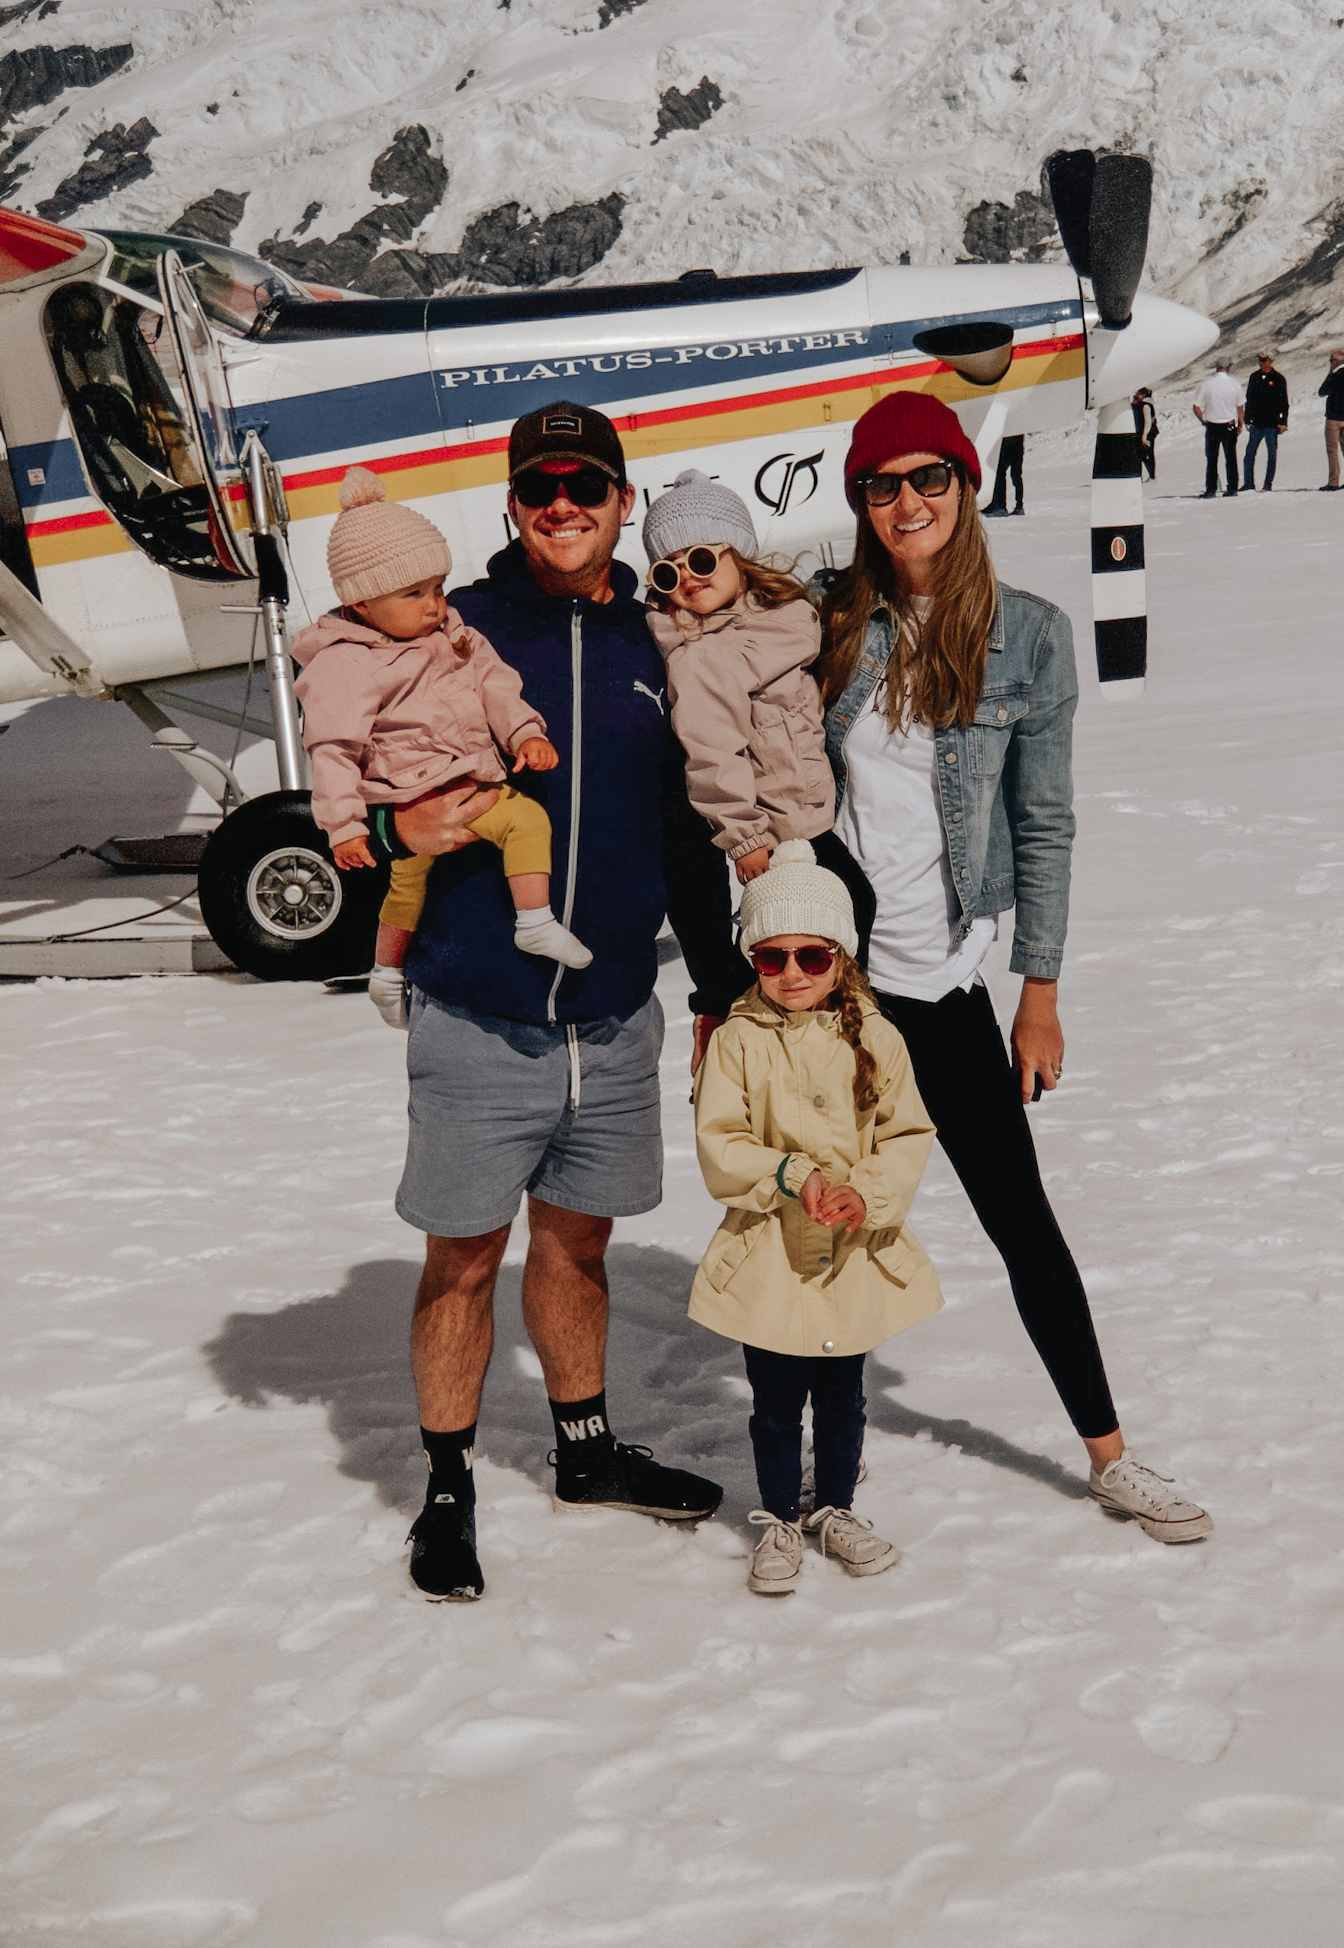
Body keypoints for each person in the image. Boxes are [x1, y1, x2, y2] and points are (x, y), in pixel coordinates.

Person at [364, 401, 747, 1601]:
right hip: (478, 1007)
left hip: (617, 1012)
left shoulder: (661, 640)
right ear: (513, 505)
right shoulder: (450, 629)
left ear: (625, 503)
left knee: (580, 1242)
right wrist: (389, 826)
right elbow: (344, 766)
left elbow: (692, 833)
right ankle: (447, 1483)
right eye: (543, 487)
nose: (565, 504)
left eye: (588, 485)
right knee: (464, 1257)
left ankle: (584, 1450)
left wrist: (720, 989)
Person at [816, 389, 1213, 1544]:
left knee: (1020, 1218)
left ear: (966, 486)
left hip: (945, 986)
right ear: (860, 501)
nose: (906, 501)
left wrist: (1038, 989)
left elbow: (1043, 823)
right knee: (829, 1227)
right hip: (837, 991)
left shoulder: (1031, 633)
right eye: (881, 483)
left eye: (927, 477)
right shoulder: (831, 624)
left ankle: (1110, 1454)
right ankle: (825, 1489)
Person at [690, 840, 941, 1594]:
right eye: (771, 959)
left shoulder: (877, 1036)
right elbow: (719, 1144)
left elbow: (905, 1133)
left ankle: (834, 1506)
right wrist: (791, 1175)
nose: (792, 974)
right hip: (768, 1249)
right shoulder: (735, 1040)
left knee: (842, 1393)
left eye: (811, 957)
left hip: (853, 1250)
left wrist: (867, 1194)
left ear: (842, 956)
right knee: (773, 1401)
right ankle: (776, 1516)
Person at [292, 467, 591, 1035]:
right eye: (413, 594)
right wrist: (345, 827)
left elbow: (497, 685)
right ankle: (533, 920)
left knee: (411, 887)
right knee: (524, 821)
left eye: (437, 586)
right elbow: (332, 749)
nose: (434, 604)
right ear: (360, 603)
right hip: (406, 793)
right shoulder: (344, 663)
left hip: (466, 781)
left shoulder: (454, 636)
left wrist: (525, 733)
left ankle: (386, 972)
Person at [642, 467, 874, 961]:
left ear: (737, 554)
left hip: (812, 815)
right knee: (830, 931)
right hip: (777, 833)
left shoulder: (777, 621)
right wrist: (746, 837)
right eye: (669, 570)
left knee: (838, 930)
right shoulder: (701, 653)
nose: (687, 576)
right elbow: (710, 752)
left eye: (701, 559)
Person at [1192, 359, 1244, 497]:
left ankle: (1211, 489)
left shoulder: (1207, 383)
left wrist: (1203, 420)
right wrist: (1240, 423)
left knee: (1212, 458)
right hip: (1229, 424)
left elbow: (1196, 406)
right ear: (1228, 368)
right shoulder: (1234, 383)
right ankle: (1232, 487)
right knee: (1231, 458)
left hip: (1212, 425)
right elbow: (1240, 406)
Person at [1241, 353, 1288, 492]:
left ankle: (1268, 483)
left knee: (1271, 454)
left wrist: (1282, 421)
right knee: (1249, 454)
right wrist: (1247, 418)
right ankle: (1248, 483)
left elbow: (1284, 402)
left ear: (1271, 361)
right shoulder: (1254, 377)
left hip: (1272, 424)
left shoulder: (1278, 379)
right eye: (1260, 360)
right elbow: (1249, 398)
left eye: (1265, 360)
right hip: (1257, 422)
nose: (1262, 363)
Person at [1318, 349, 1344, 489]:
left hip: (1334, 417)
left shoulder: (1336, 375)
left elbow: (1322, 391)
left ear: (1335, 362)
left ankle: (1333, 481)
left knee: (1332, 449)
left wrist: (1330, 374)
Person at [981, 431, 1025, 517]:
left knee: (1000, 474)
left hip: (1006, 443)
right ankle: (1019, 506)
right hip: (1017, 442)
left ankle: (1000, 506)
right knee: (1016, 476)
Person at [1131, 388, 1158, 480]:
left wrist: (1144, 436)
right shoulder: (1142, 405)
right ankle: (1144, 475)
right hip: (1144, 433)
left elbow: (1148, 422)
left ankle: (1152, 475)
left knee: (1147, 454)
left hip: (1147, 433)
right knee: (1141, 454)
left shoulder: (1146, 406)